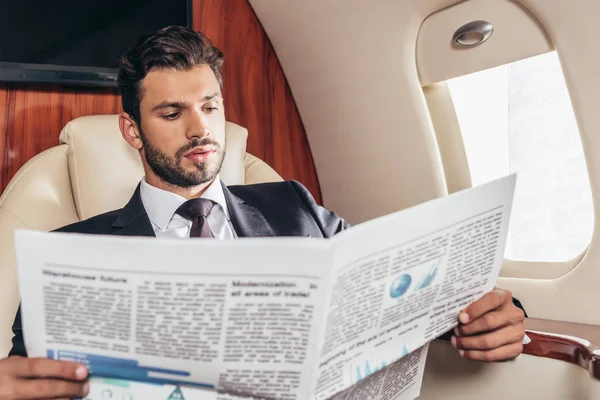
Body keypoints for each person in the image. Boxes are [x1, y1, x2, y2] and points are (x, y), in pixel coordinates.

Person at [0, 26, 526, 399]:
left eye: (210, 106)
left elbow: (391, 289)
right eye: (171, 112)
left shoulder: (295, 206)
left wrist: (484, 316)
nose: (199, 129)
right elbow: (31, 374)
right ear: (132, 130)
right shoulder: (75, 251)